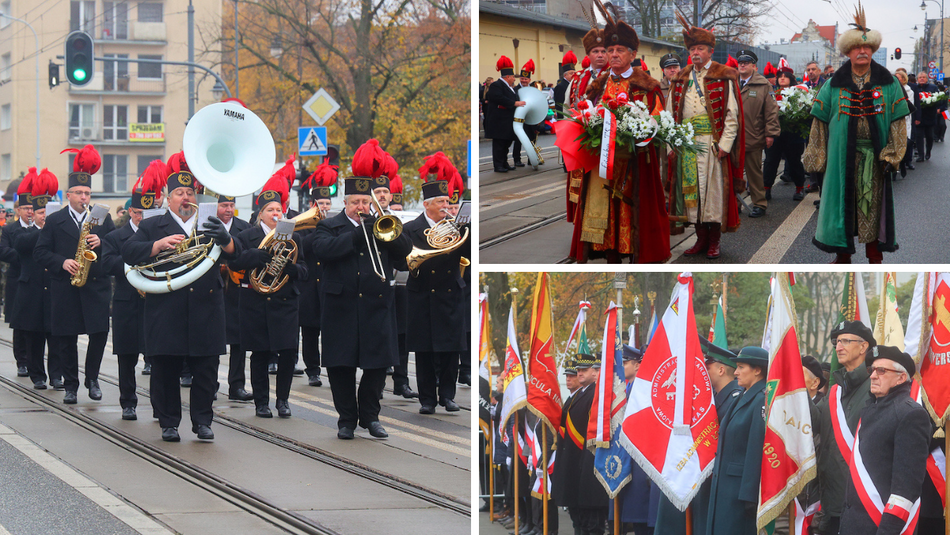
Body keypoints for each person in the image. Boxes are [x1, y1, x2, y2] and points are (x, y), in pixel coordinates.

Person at [121, 162, 240, 442]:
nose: (185, 198)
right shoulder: (153, 225)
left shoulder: (209, 225)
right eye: (179, 193)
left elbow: (238, 257)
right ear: (167, 197)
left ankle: (202, 421)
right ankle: (169, 422)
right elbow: (128, 251)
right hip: (166, 309)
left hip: (206, 308)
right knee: (165, 370)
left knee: (206, 370)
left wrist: (228, 240)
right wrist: (156, 246)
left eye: (189, 192)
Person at [311, 140, 412, 440]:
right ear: (345, 203)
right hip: (340, 306)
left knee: (378, 365)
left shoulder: (381, 223)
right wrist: (358, 233)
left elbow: (404, 257)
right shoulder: (329, 225)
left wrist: (389, 232)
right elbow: (323, 251)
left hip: (376, 305)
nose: (361, 208)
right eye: (355, 202)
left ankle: (370, 415)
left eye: (365, 202)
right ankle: (346, 419)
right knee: (340, 367)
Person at [802, 8, 909, 264]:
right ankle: (842, 256)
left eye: (867, 48)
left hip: (876, 158)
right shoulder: (832, 84)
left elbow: (898, 123)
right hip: (841, 157)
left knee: (873, 207)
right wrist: (817, 158)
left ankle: (874, 254)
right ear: (847, 52)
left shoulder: (889, 83)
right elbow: (819, 124)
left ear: (872, 50)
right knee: (842, 206)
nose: (863, 52)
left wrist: (892, 155)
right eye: (857, 48)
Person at [575, 9, 669, 264]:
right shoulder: (598, 84)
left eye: (620, 50)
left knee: (630, 207)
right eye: (610, 50)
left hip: (633, 162)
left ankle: (632, 250)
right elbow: (585, 114)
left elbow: (656, 120)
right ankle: (609, 251)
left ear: (633, 55)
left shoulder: (646, 86)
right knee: (603, 204)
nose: (613, 55)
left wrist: (636, 132)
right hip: (601, 163)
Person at [34, 145, 116, 405]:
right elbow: (40, 252)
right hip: (66, 286)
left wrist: (101, 244)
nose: (84, 197)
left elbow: (116, 247)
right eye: (79, 192)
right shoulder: (55, 220)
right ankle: (71, 385)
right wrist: (63, 261)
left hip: (96, 286)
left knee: (99, 334)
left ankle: (92, 378)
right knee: (66, 337)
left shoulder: (102, 218)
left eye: (87, 193)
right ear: (68, 195)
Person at [229, 166, 307, 419]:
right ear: (260, 214)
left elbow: (305, 269)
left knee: (287, 354)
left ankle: (283, 400)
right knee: (260, 354)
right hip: (255, 302)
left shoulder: (293, 237)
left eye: (278, 210)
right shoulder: (247, 235)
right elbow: (234, 263)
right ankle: (261, 402)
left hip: (285, 303)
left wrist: (293, 270)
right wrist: (252, 256)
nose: (276, 214)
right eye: (270, 210)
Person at [668, 15, 744, 260]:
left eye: (700, 48)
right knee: (692, 196)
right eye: (692, 49)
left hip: (712, 145)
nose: (695, 52)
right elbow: (670, 115)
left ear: (711, 51)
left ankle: (714, 240)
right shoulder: (680, 77)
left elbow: (732, 115)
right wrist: (673, 143)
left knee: (712, 195)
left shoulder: (724, 75)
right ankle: (700, 239)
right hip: (687, 145)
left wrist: (724, 145)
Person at [838, 346, 930, 535]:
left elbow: (905, 489)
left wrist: (887, 531)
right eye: (872, 370)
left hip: (880, 526)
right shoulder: (871, 409)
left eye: (882, 371)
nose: (872, 376)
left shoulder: (910, 414)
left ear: (901, 378)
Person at [403, 153, 469, 414]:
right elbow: (406, 260)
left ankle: (448, 396)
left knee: (451, 349)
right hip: (422, 295)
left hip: (450, 293)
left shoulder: (457, 226)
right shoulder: (411, 228)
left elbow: (468, 256)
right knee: (425, 352)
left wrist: (467, 229)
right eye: (441, 202)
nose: (446, 206)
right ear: (427, 204)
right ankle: (427, 399)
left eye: (448, 201)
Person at [654, 337, 741, 535]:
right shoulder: (714, 397)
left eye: (708, 366)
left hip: (715, 478)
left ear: (721, 370)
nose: (703, 370)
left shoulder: (735, 399)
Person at [101, 161, 164, 420]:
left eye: (148, 213)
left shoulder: (160, 236)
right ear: (130, 212)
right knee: (126, 358)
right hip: (128, 301)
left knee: (159, 359)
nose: (142, 218)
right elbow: (106, 263)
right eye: (138, 213)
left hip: (155, 304)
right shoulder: (116, 237)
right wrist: (133, 263)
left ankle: (161, 407)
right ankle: (128, 402)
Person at [809, 320, 875, 534]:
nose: (838, 347)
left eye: (846, 341)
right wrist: (797, 392)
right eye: (837, 342)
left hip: (859, 500)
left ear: (863, 347)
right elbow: (818, 424)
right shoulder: (836, 390)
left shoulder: (875, 388)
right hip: (830, 499)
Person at [705, 346, 768, 535]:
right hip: (725, 486)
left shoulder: (761, 400)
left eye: (741, 367)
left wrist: (750, 496)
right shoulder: (742, 395)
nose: (737, 372)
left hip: (740, 492)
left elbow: (755, 449)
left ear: (757, 370)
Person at [12, 169, 61, 391]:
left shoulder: (58, 233)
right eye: (40, 213)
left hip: (54, 291)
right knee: (34, 338)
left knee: (57, 337)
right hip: (31, 292)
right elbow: (20, 246)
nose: (43, 216)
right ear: (34, 215)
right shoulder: (26, 233)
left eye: (47, 213)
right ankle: (37, 375)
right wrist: (44, 229)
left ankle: (57, 376)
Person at [552, 349, 608, 535]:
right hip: (574, 464)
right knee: (580, 519)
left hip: (586, 463)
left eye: (585, 369)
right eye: (578, 370)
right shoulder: (578, 394)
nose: (579, 373)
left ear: (595, 371)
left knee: (592, 522)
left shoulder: (595, 394)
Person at [565, 29, 609, 262]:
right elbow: (567, 107)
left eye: (603, 51)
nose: (600, 54)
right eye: (595, 51)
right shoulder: (578, 79)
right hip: (581, 143)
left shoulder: (615, 75)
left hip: (606, 144)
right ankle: (585, 242)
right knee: (581, 194)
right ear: (588, 54)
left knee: (601, 194)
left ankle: (603, 243)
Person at [613, 344, 660, 535]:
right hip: (635, 466)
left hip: (653, 467)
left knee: (652, 525)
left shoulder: (655, 390)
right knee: (640, 524)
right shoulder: (631, 389)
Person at [298, 161, 337, 388]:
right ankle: (312, 369)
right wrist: (320, 227)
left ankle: (331, 367)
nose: (324, 207)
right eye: (320, 203)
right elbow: (302, 247)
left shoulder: (335, 223)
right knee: (310, 331)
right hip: (310, 286)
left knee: (332, 330)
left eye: (327, 203)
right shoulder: (304, 225)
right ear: (313, 204)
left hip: (329, 284)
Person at [211, 193, 253, 400]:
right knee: (213, 341)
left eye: (231, 205)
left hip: (237, 291)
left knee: (239, 342)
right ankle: (210, 384)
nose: (228, 209)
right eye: (224, 205)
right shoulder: (205, 225)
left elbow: (248, 254)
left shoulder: (244, 227)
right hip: (213, 290)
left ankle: (236, 386)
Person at [0, 171, 36, 378]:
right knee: (19, 324)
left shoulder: (41, 228)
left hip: (37, 282)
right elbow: (3, 251)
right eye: (26, 208)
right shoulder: (10, 230)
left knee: (36, 325)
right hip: (17, 280)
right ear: (18, 210)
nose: (30, 212)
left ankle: (34, 361)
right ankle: (21, 361)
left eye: (33, 208)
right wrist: (24, 256)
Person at [736, 49, 780, 218]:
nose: (742, 65)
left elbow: (771, 112)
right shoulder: (731, 82)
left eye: (746, 62)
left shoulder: (763, 85)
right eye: (740, 62)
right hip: (732, 137)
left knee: (753, 171)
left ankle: (759, 204)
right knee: (733, 172)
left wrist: (771, 133)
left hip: (753, 135)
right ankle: (735, 204)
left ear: (754, 65)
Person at [764, 69, 808, 202]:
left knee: (795, 163)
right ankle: (766, 188)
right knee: (770, 162)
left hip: (793, 135)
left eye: (785, 77)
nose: (782, 79)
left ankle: (799, 188)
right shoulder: (771, 92)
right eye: (780, 77)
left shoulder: (798, 92)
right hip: (774, 135)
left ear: (791, 78)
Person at [484, 56, 526, 173]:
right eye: (513, 77)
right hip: (499, 121)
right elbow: (498, 98)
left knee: (506, 143)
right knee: (499, 144)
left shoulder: (509, 87)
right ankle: (498, 165)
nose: (514, 79)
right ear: (507, 77)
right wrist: (514, 103)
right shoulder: (496, 85)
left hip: (507, 120)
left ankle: (504, 162)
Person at [512, 60, 539, 168]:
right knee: (518, 140)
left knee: (532, 138)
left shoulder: (532, 89)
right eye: (522, 79)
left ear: (529, 80)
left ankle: (531, 158)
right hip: (519, 118)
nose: (524, 80)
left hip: (530, 118)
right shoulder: (515, 89)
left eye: (526, 79)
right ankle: (517, 159)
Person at [894, 70, 916, 178]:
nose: (897, 80)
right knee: (894, 144)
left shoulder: (909, 91)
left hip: (904, 119)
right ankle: (894, 166)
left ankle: (903, 163)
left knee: (904, 143)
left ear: (903, 79)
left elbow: (909, 107)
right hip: (892, 120)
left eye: (899, 78)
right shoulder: (891, 89)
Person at [913, 71, 938, 162]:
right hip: (919, 117)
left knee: (930, 136)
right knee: (919, 137)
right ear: (917, 79)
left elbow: (938, 100)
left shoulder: (933, 88)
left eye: (923, 77)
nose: (922, 79)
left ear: (927, 79)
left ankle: (928, 152)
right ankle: (920, 155)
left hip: (930, 116)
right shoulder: (915, 88)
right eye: (920, 77)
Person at [553, 51, 576, 119]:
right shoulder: (560, 86)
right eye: (571, 73)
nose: (573, 75)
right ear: (565, 75)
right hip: (565, 116)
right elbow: (559, 105)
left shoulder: (574, 84)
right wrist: (561, 119)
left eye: (574, 73)